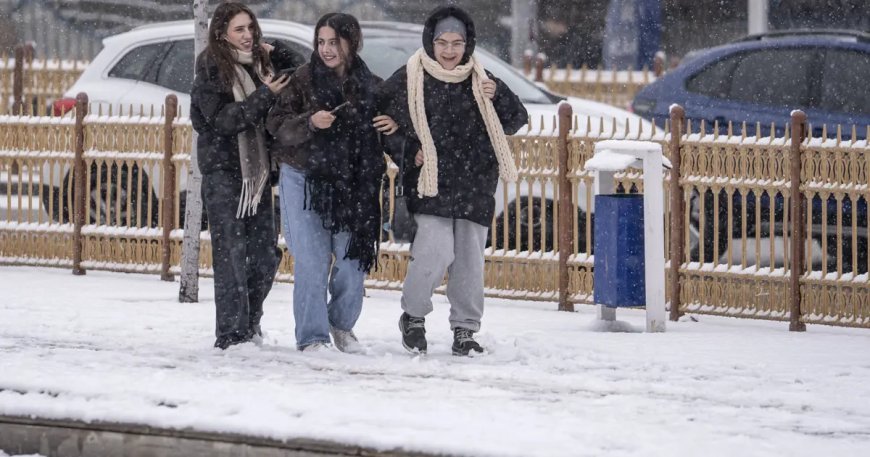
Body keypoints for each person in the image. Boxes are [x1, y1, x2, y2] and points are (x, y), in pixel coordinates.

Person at [380, 6, 529, 356]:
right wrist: (406, 148)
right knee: (434, 251)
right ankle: (413, 316)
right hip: (429, 183)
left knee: (468, 261)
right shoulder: (411, 76)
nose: (449, 51)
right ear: (431, 42)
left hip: (475, 183)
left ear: (468, 44)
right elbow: (382, 119)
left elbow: (515, 119)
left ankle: (465, 330)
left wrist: (499, 96)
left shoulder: (481, 78)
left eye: (457, 43)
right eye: (442, 42)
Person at [266, 13, 397, 353]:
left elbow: (394, 130)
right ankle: (312, 336)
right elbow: (277, 125)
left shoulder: (372, 86)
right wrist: (309, 122)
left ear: (352, 42)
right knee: (311, 260)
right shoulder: (302, 79)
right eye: (321, 42)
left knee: (353, 261)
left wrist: (394, 127)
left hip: (353, 185)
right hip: (305, 179)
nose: (326, 49)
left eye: (334, 42)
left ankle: (340, 325)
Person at [190, 1, 296, 350]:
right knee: (232, 256)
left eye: (251, 28)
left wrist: (276, 50)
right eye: (239, 29)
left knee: (264, 255)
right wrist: (266, 95)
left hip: (258, 174)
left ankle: (250, 324)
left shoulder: (259, 64)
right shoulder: (210, 68)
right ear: (221, 33)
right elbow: (225, 120)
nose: (248, 35)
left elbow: (299, 71)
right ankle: (232, 335)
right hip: (225, 174)